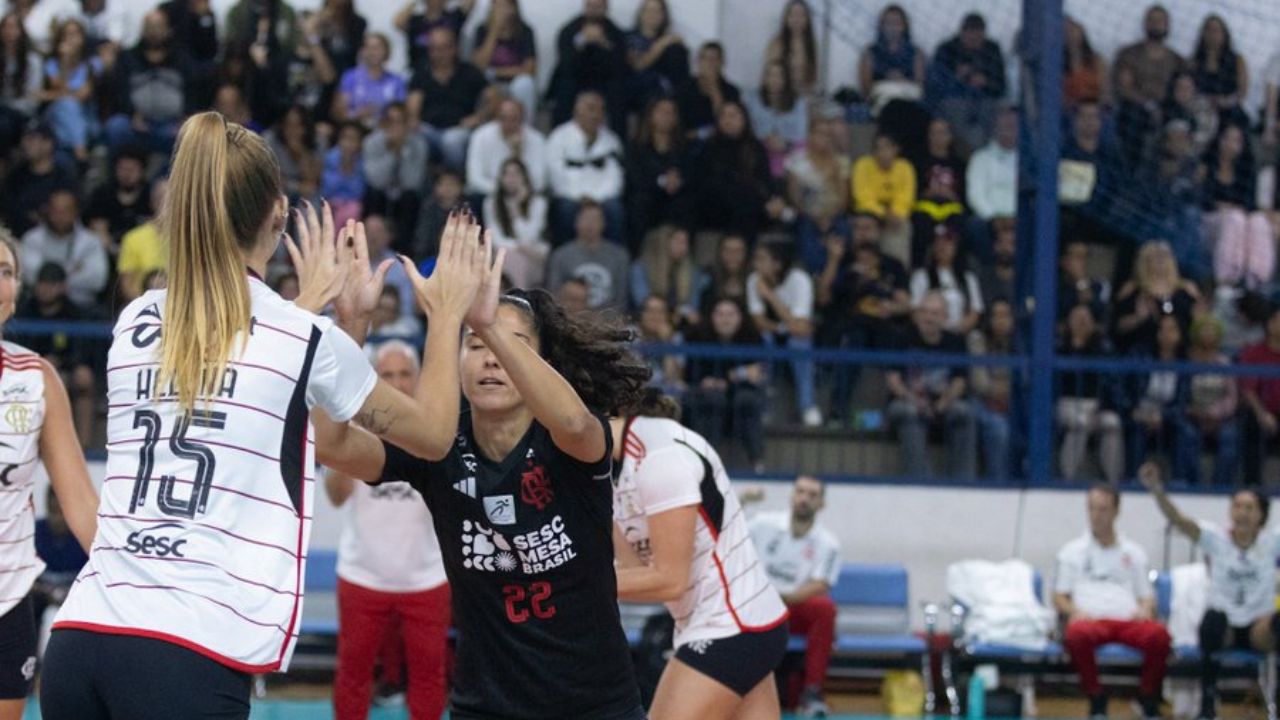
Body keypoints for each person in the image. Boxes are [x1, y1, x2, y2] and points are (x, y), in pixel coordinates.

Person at [40, 111, 484, 719]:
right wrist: (447, 313)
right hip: (188, 650)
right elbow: (434, 435)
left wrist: (337, 323)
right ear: (278, 215)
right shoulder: (299, 339)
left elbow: (240, 363)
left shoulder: (136, 320)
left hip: (81, 637)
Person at [318, 267, 654, 719]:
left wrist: (488, 324)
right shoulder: (438, 445)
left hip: (595, 705)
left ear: (541, 366)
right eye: (475, 344)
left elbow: (574, 422)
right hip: (485, 706)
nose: (491, 357)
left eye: (508, 346)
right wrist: (352, 329)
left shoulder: (569, 437)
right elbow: (331, 445)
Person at [612, 392, 789, 720]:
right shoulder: (612, 472)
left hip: (731, 626)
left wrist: (564, 582)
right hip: (721, 625)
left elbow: (668, 581)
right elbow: (635, 573)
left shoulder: (660, 454)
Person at [0, 226, 98, 720]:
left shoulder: (35, 379)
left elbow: (80, 503)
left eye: (7, 272)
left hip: (9, 599)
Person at [327, 341, 450, 720]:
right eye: (387, 375)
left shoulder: (437, 433)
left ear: (416, 379)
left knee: (430, 677)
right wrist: (345, 440)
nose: (396, 383)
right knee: (353, 674)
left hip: (426, 578)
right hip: (363, 575)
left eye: (404, 374)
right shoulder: (356, 430)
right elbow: (334, 496)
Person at [1144, 467, 1280, 720]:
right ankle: (1208, 701)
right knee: (1211, 622)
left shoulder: (1271, 542)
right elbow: (1178, 520)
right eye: (1238, 506)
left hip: (1256, 628)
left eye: (1250, 507)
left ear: (1261, 514)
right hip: (1224, 626)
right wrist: (1156, 489)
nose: (1243, 513)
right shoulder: (1215, 539)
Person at [1054, 484, 1169, 720]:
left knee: (1160, 635)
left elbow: (1146, 596)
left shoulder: (1134, 552)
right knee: (1076, 634)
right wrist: (1074, 611)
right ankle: (1096, 696)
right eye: (1092, 509)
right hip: (1091, 620)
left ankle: (1147, 695)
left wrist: (1146, 609)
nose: (1096, 516)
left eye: (1103, 509)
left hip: (1128, 621)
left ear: (1116, 511)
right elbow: (1059, 596)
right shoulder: (1072, 552)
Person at [747, 475, 839, 718]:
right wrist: (744, 499)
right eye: (800, 492)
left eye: (812, 495)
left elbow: (820, 584)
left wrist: (782, 599)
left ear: (821, 504)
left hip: (791, 606)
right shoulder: (763, 524)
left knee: (824, 609)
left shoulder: (828, 543)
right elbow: (727, 530)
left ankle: (811, 691)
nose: (804, 499)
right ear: (791, 495)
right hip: (756, 604)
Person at [817, 213, 910, 426]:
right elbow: (823, 298)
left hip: (884, 327)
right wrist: (833, 260)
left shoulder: (892, 264)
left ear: (878, 232)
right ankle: (838, 411)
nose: (863, 232)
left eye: (868, 227)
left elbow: (906, 303)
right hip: (851, 325)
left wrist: (891, 307)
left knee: (897, 340)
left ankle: (894, 412)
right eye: (858, 228)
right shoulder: (842, 260)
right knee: (853, 343)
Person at [886, 290, 977, 479]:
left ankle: (962, 481)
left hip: (942, 403)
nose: (929, 318)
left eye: (935, 313)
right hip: (906, 402)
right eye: (925, 312)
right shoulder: (900, 338)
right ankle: (921, 481)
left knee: (964, 412)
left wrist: (943, 403)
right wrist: (916, 402)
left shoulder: (956, 342)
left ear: (945, 317)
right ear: (917, 315)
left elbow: (959, 381)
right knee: (909, 413)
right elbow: (893, 381)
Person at [684, 297, 766, 471]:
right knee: (712, 399)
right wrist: (736, 375)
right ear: (712, 317)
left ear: (740, 317)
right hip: (709, 398)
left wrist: (727, 379)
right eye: (720, 314)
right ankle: (704, 461)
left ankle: (757, 462)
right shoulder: (700, 337)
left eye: (731, 314)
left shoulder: (752, 338)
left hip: (741, 396)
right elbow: (694, 375)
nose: (725, 319)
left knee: (747, 400)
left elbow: (757, 373)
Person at [748, 241, 820, 427]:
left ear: (777, 264)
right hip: (771, 335)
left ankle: (807, 405)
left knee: (799, 344)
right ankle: (764, 407)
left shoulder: (799, 279)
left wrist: (771, 297)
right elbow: (759, 322)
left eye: (762, 260)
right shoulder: (754, 280)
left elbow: (800, 327)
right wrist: (781, 328)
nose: (756, 264)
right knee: (764, 342)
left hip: (796, 337)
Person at [103, 10, 195, 154]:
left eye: (158, 27)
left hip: (172, 125)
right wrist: (132, 114)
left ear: (168, 30)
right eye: (149, 27)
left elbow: (193, 91)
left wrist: (186, 117)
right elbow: (119, 92)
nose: (153, 32)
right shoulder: (128, 58)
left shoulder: (182, 59)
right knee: (115, 127)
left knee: (192, 134)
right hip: (137, 123)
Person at [696, 100, 785, 240]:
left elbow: (765, 179)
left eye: (733, 115)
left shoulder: (755, 147)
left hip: (751, 206)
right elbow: (706, 184)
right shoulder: (710, 148)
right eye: (723, 116)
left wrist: (775, 199)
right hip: (718, 206)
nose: (728, 120)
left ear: (744, 119)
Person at [545, 90, 625, 245]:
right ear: (577, 110)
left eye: (600, 110)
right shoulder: (559, 137)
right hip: (570, 197)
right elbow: (555, 176)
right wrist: (579, 197)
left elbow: (616, 178)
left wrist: (597, 199)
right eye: (591, 108)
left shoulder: (612, 140)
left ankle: (613, 260)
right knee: (565, 210)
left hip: (602, 199)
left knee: (615, 210)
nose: (595, 114)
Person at [1202, 122, 1273, 289]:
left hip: (1239, 224)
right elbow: (1202, 200)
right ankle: (1226, 280)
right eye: (1228, 138)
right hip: (1209, 222)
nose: (1231, 144)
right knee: (1235, 219)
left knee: (1259, 221)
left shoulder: (1246, 170)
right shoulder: (1206, 166)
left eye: (1237, 140)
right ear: (1219, 139)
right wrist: (1224, 207)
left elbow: (1250, 204)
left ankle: (1255, 280)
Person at [1057, 304, 1123, 484]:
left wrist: (1101, 408)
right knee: (1080, 423)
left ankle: (1113, 480)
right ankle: (1068, 477)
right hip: (1067, 403)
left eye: (1086, 319)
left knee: (1112, 423)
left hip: (1096, 404)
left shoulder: (1103, 348)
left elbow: (1110, 383)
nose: (1082, 323)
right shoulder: (1060, 346)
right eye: (1077, 319)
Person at [406, 26, 487, 172]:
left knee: (452, 141)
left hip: (459, 129)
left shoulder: (469, 72)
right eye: (434, 49)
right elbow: (413, 102)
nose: (439, 53)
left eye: (444, 48)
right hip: (429, 129)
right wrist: (413, 118)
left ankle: (454, 180)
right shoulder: (421, 73)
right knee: (414, 137)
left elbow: (493, 95)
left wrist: (479, 116)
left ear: (454, 48)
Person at [1112, 5, 1184, 170]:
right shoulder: (1129, 54)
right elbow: (1124, 88)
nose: (1156, 24)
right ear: (1145, 24)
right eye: (1152, 20)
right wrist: (1148, 105)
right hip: (1136, 110)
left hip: (1168, 109)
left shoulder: (1176, 60)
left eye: (1161, 21)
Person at [926, 12, 1006, 152]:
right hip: (956, 100)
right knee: (955, 111)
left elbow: (1001, 85)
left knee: (998, 111)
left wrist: (985, 82)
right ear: (962, 33)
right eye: (970, 35)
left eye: (978, 36)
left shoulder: (992, 50)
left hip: (986, 102)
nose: (974, 40)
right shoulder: (946, 50)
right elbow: (934, 86)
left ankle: (988, 153)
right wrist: (957, 77)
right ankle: (965, 152)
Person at [547, 0, 628, 136]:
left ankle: (619, 144)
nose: (595, 10)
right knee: (565, 89)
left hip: (604, 82)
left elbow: (620, 66)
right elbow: (565, 64)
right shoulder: (569, 30)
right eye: (591, 6)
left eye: (599, 6)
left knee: (618, 93)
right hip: (575, 79)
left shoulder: (616, 33)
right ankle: (558, 138)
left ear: (606, 8)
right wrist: (581, 42)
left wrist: (604, 44)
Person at [626, 97, 692, 252]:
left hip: (676, 197)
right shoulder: (636, 147)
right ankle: (637, 255)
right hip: (647, 196)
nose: (667, 116)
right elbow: (635, 177)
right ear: (651, 115)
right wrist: (662, 181)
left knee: (686, 205)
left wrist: (678, 181)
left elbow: (691, 174)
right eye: (662, 111)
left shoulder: (684, 147)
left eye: (671, 112)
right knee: (639, 204)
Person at [787, 111, 850, 273]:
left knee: (842, 229)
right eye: (820, 134)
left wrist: (828, 216)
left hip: (833, 214)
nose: (825, 139)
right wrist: (815, 216)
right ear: (810, 135)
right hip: (806, 214)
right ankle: (815, 273)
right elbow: (794, 197)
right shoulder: (797, 160)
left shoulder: (841, 162)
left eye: (829, 135)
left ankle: (836, 275)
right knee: (806, 229)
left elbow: (843, 199)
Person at [20, 189, 107, 307]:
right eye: (56, 211)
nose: (60, 216)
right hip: (37, 306)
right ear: (48, 211)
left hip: (81, 306)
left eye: (65, 211)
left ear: (76, 213)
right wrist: (73, 270)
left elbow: (98, 280)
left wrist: (51, 282)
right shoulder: (32, 239)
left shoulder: (91, 242)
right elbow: (28, 275)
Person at [1182, 314, 1239, 486]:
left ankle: (1221, 485)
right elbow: (1181, 393)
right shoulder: (1187, 363)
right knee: (1187, 434)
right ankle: (1194, 483)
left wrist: (1215, 413)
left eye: (1212, 330)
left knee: (1230, 436)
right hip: (1192, 416)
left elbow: (1232, 396)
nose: (1207, 334)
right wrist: (1194, 411)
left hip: (1220, 417)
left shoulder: (1224, 363)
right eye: (1204, 330)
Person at [545, 200, 629, 312]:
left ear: (604, 223)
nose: (590, 224)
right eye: (586, 218)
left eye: (595, 219)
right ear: (575, 221)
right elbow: (553, 295)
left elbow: (621, 300)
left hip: (607, 322)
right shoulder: (560, 255)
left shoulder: (619, 256)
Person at [361, 101, 427, 237]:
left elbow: (412, 182)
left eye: (400, 121)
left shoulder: (419, 145)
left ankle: (405, 250)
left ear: (407, 123)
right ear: (383, 122)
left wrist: (402, 152)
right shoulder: (371, 142)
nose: (395, 126)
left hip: (405, 196)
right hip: (379, 195)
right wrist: (392, 154)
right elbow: (376, 180)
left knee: (411, 199)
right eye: (390, 121)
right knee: (373, 194)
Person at [482, 157, 549, 289]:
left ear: (524, 177)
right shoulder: (491, 203)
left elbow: (531, 237)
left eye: (516, 173)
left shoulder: (538, 202)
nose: (511, 178)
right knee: (512, 258)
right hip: (509, 252)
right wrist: (519, 247)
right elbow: (495, 238)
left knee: (519, 259)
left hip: (534, 254)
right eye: (506, 174)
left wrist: (516, 209)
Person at [2, 121, 78, 237]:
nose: (25, 144)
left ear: (48, 144)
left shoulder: (63, 177)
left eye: (32, 139)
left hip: (57, 238)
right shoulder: (15, 177)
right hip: (17, 238)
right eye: (25, 138)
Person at [852, 130, 915, 265]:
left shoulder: (905, 168)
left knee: (904, 227)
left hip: (895, 218)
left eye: (886, 147)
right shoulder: (862, 165)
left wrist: (895, 215)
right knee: (865, 226)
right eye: (878, 148)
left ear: (896, 149)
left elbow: (906, 199)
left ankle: (899, 273)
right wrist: (884, 214)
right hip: (868, 215)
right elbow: (863, 197)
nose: (882, 153)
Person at [968, 299, 1015, 480]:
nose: (1001, 321)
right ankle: (999, 482)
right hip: (981, 401)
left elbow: (1025, 382)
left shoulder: (1020, 343)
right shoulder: (977, 339)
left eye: (1005, 316)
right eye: (996, 316)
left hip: (1011, 403)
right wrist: (1004, 390)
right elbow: (979, 382)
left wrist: (1008, 392)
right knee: (998, 428)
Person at [964, 107, 1018, 264]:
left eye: (1013, 125)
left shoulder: (1027, 161)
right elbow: (975, 193)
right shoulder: (981, 157)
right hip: (990, 220)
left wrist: (1015, 217)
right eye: (1005, 125)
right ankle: (989, 271)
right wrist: (993, 217)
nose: (1009, 129)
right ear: (996, 126)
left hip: (1020, 219)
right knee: (975, 225)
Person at [466, 96, 547, 198]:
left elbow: (540, 181)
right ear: (496, 118)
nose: (508, 124)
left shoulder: (537, 140)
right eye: (503, 118)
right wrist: (503, 192)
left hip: (525, 196)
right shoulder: (481, 136)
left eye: (514, 118)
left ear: (523, 119)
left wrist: (517, 154)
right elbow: (474, 178)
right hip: (491, 192)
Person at [471, 0, 538, 120]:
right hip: (488, 82)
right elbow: (478, 66)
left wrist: (496, 72)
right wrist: (494, 31)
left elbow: (529, 69)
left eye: (506, 6)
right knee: (488, 90)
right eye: (498, 6)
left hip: (515, 81)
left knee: (525, 84)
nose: (502, 11)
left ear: (514, 9)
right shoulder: (481, 30)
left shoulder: (525, 31)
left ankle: (524, 127)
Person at [909, 227, 983, 335]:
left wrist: (958, 330)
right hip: (929, 335)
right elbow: (914, 310)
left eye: (947, 243)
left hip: (959, 334)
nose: (942, 246)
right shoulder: (921, 276)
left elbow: (975, 311)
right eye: (938, 243)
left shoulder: (968, 278)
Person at [1240, 305, 1280, 487]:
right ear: (1269, 324)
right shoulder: (1254, 352)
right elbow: (1248, 388)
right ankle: (1252, 485)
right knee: (1250, 427)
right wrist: (1262, 413)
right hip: (1260, 412)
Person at [746, 60, 807, 179]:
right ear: (764, 77)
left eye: (779, 75)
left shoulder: (798, 104)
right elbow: (745, 129)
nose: (774, 79)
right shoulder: (751, 99)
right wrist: (764, 140)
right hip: (758, 153)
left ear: (786, 79)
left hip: (789, 157)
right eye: (770, 74)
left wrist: (786, 145)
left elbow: (802, 138)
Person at [630, 225, 701, 326]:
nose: (684, 248)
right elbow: (642, 301)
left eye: (686, 243)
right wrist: (669, 314)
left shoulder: (692, 271)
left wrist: (681, 312)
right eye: (679, 242)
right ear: (664, 243)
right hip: (647, 322)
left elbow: (693, 306)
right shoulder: (641, 268)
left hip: (679, 323)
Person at [332, 32, 405, 131]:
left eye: (377, 48)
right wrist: (357, 115)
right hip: (355, 130)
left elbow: (400, 115)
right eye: (368, 48)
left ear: (387, 52)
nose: (372, 52)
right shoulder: (350, 77)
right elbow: (339, 113)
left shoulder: (397, 81)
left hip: (384, 132)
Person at [85, 146, 149, 256]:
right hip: (107, 251)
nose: (127, 174)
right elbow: (97, 227)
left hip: (142, 252)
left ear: (142, 171)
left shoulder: (150, 194)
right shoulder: (103, 193)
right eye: (123, 169)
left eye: (132, 170)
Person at [624, 0, 688, 108]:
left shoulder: (670, 43)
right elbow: (638, 65)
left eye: (657, 11)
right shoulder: (628, 37)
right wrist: (663, 43)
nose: (652, 15)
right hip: (635, 89)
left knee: (677, 51)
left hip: (662, 90)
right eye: (649, 10)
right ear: (641, 14)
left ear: (664, 16)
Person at [1189, 14, 1248, 125]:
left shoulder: (1237, 61)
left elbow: (1242, 92)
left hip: (1229, 111)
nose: (1212, 34)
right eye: (1209, 30)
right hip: (1199, 110)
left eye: (1216, 30)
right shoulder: (1193, 62)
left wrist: (1224, 102)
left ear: (1224, 34)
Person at [858, 5, 924, 102]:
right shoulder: (870, 53)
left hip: (908, 98)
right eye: (888, 23)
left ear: (904, 26)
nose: (892, 27)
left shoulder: (916, 53)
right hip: (881, 98)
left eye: (897, 23)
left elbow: (921, 85)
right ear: (881, 26)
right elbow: (865, 88)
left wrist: (902, 81)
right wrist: (888, 80)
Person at [116, 178, 168, 304]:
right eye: (161, 199)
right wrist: (145, 307)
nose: (166, 204)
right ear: (153, 202)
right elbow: (127, 284)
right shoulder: (133, 238)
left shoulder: (189, 239)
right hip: (142, 306)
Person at [676, 41, 739, 141]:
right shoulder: (684, 89)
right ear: (698, 61)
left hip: (721, 143)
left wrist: (716, 94)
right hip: (689, 144)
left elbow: (731, 125)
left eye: (714, 59)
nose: (710, 63)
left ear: (722, 63)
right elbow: (678, 124)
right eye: (705, 58)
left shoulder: (731, 91)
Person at [393, 0, 472, 71]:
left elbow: (470, 2)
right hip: (418, 72)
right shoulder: (415, 21)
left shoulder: (454, 17)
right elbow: (398, 22)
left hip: (451, 72)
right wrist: (414, 3)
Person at [766, 0, 818, 97]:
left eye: (801, 15)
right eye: (793, 14)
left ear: (807, 19)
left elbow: (812, 78)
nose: (797, 19)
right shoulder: (777, 43)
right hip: (781, 96)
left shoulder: (811, 44)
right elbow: (771, 77)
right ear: (786, 18)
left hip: (804, 96)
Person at [1062, 17, 1107, 109]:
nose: (1070, 34)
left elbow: (1105, 89)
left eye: (1073, 30)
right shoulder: (1056, 63)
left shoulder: (1097, 60)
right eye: (1066, 31)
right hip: (1068, 110)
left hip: (1093, 107)